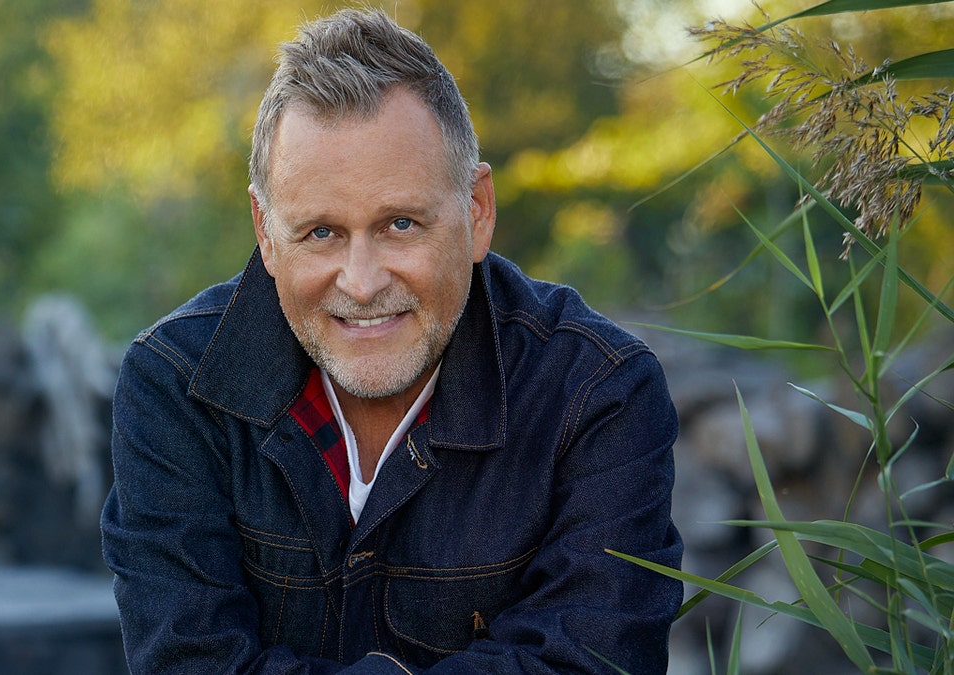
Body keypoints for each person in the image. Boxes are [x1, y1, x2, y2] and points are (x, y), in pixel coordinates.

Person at [101, 8, 682, 674]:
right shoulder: (177, 384)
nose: (362, 281)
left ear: (477, 210)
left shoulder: (597, 394)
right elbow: (185, 663)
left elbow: (597, 662)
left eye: (400, 224)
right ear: (265, 231)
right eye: (321, 232)